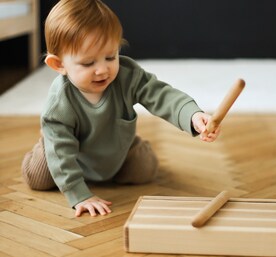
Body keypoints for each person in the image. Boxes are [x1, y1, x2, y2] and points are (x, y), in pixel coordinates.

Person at [21, 0, 220, 217]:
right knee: (37, 178)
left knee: (144, 172)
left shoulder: (127, 76)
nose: (102, 70)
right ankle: (45, 143)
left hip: (115, 150)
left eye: (110, 57)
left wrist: (192, 115)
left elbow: (161, 95)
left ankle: (132, 146)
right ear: (59, 65)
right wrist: (79, 194)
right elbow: (61, 155)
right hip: (68, 153)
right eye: (88, 63)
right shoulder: (59, 105)